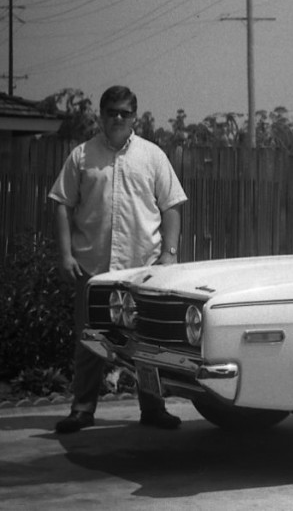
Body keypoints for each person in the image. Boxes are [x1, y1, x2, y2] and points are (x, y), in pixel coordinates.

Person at [49, 85, 188, 434]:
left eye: (125, 112)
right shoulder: (82, 156)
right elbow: (62, 205)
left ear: (135, 117)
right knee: (89, 340)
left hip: (142, 270)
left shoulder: (152, 156)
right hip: (92, 269)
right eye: (112, 112)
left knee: (146, 343)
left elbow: (171, 206)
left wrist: (169, 255)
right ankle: (82, 409)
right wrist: (65, 255)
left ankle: (153, 408)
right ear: (101, 115)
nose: (118, 118)